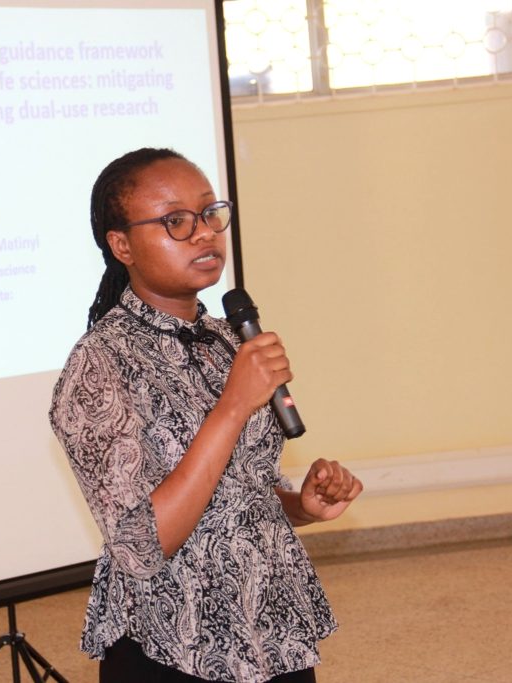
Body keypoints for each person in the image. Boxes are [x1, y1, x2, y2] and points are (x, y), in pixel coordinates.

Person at [49, 148, 363, 682]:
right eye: (175, 221)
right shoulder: (97, 364)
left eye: (209, 214)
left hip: (270, 622)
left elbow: (238, 493)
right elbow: (141, 545)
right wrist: (234, 405)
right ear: (121, 244)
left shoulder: (227, 339)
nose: (203, 234)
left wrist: (300, 505)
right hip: (172, 642)